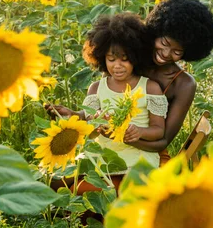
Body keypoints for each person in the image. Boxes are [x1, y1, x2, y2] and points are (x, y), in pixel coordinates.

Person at [46, 12, 168, 182]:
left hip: (136, 159)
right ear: (101, 58)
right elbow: (88, 120)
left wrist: (139, 132)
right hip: (101, 157)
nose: (117, 66)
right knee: (54, 179)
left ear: (136, 58)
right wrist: (71, 114)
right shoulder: (96, 88)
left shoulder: (149, 87)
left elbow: (158, 130)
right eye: (111, 59)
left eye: (125, 60)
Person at [138, 0, 213, 162]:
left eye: (177, 52)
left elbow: (162, 142)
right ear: (157, 31)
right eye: (165, 43)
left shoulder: (183, 84)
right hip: (110, 144)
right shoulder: (131, 59)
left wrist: (124, 137)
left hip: (149, 156)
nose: (166, 54)